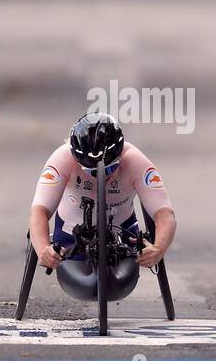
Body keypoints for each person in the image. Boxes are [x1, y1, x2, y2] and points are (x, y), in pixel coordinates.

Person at [29, 113, 175, 299]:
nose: (101, 176)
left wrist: (158, 248)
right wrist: (43, 248)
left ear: (120, 154)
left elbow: (165, 214)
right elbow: (39, 211)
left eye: (110, 168)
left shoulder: (135, 160)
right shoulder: (62, 158)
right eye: (90, 170)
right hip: (70, 234)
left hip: (122, 234)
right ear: (76, 157)